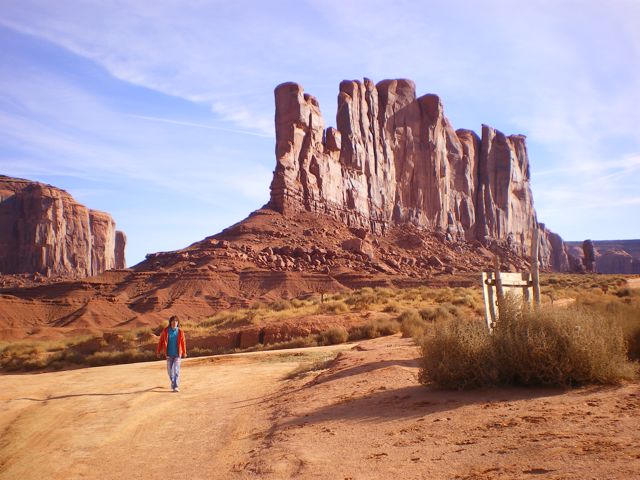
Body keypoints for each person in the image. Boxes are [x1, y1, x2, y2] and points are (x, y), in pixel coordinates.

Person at [156, 315, 187, 392]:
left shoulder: (180, 332)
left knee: (176, 370)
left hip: (177, 354)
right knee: (170, 371)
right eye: (173, 321)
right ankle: (173, 382)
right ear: (170, 322)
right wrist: (158, 351)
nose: (174, 322)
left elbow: (183, 343)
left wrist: (184, 352)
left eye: (176, 321)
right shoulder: (165, 331)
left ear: (178, 322)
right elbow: (161, 342)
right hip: (169, 355)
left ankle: (175, 386)